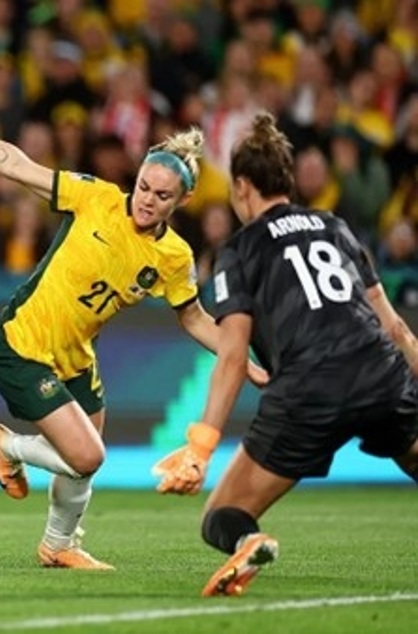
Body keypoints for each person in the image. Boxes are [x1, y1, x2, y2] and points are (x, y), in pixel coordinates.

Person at [0, 97, 268, 570]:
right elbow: (16, 165)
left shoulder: (174, 257)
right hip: (22, 344)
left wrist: (244, 360)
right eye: (143, 187)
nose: (147, 200)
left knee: (82, 461)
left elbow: (194, 318)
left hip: (75, 357)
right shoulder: (95, 198)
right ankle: (6, 445)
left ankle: (59, 545)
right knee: (87, 457)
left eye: (161, 196)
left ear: (182, 202)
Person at [153, 112, 418, 597]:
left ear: (241, 186)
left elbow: (232, 357)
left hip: (309, 389)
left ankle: (250, 541)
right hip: (379, 370)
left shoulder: (241, 249)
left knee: (222, 516)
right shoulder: (335, 228)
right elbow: (396, 327)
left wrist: (202, 446)